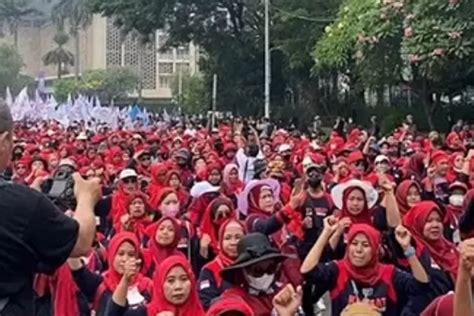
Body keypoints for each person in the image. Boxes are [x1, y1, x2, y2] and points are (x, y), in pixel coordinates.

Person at [0, 100, 101, 315]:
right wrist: (86, 197)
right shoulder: (22, 204)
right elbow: (82, 242)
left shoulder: (24, 203)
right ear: (4, 141)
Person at [301, 220, 430, 315]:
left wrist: (407, 248)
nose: (358, 250)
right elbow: (307, 271)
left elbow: (421, 286)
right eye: (354, 243)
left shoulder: (389, 273)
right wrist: (326, 232)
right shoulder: (339, 269)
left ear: (374, 249)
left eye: (365, 245)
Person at [106, 255, 205, 316]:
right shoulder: (144, 313)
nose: (178, 286)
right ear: (160, 285)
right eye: (170, 281)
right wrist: (125, 280)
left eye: (184, 279)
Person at [220, 233, 292, 316]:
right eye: (257, 270)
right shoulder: (234, 301)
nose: (265, 275)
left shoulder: (283, 293)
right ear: (243, 272)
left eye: (270, 268)